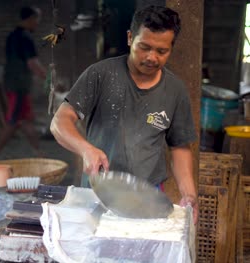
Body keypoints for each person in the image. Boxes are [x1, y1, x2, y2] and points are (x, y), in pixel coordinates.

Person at [50, 5, 198, 223]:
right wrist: (86, 149)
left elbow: (179, 148)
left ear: (171, 48)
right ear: (130, 38)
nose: (151, 57)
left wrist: (189, 194)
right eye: (144, 47)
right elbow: (59, 122)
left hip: (148, 196)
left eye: (161, 51)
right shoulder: (100, 75)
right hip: (98, 192)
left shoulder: (175, 90)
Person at [0, 6, 46, 161]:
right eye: (37, 19)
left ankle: (39, 155)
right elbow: (32, 63)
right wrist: (50, 79)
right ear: (31, 18)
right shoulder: (25, 38)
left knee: (25, 121)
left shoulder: (13, 36)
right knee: (13, 122)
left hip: (16, 85)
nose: (38, 23)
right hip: (18, 87)